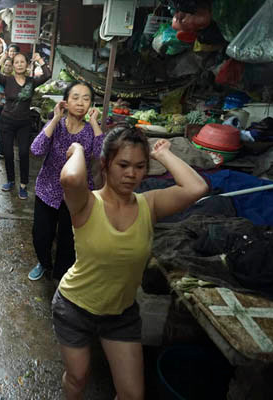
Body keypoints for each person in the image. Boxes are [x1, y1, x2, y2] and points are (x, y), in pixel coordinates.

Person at [53, 126, 209, 400]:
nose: (131, 174)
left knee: (133, 395)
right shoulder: (86, 203)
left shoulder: (150, 204)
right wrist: (78, 149)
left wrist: (162, 154)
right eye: (123, 165)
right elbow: (71, 177)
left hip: (120, 315)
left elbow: (197, 188)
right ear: (105, 165)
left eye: (139, 166)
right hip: (74, 308)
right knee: (78, 378)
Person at [28, 81, 103, 282]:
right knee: (41, 235)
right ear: (65, 102)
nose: (80, 103)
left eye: (86, 99)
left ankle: (62, 276)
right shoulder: (56, 126)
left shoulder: (90, 131)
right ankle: (44, 263)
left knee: (68, 241)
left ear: (91, 105)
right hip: (48, 189)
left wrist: (95, 122)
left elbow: (101, 155)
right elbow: (36, 149)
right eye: (75, 97)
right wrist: (55, 118)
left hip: (76, 194)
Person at [0, 50, 51, 200]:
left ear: (27, 65)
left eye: (22, 62)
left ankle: (23, 184)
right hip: (6, 122)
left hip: (24, 123)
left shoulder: (31, 82)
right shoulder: (7, 80)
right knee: (8, 153)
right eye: (16, 62)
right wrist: (4, 57)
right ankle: (11, 180)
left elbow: (47, 75)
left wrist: (39, 59)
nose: (19, 65)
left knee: (24, 153)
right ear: (13, 65)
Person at [0, 58, 13, 160]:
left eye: (10, 65)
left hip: (10, 109)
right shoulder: (0, 77)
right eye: (6, 65)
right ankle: (1, 151)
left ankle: (6, 151)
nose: (7, 67)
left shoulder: (15, 79)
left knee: (8, 131)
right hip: (0, 107)